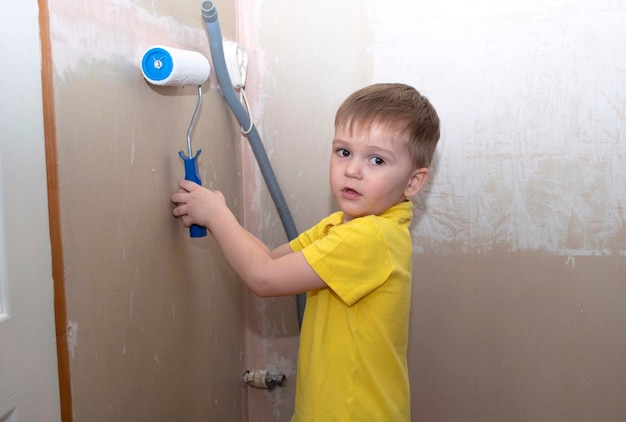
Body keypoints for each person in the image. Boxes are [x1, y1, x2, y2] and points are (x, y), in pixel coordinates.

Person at [171, 83, 440, 421]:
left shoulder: (371, 237)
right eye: (344, 152)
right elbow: (270, 260)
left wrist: (216, 216)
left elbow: (264, 280)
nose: (353, 169)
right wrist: (222, 216)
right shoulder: (342, 226)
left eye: (376, 159)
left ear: (413, 182)